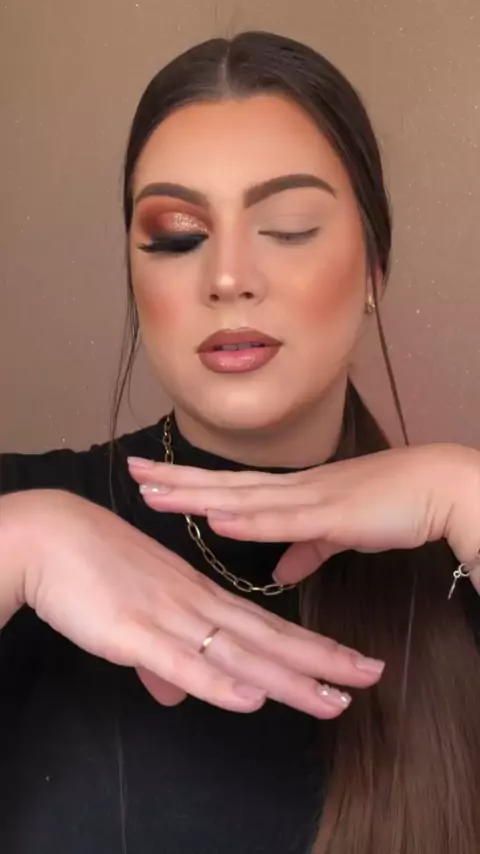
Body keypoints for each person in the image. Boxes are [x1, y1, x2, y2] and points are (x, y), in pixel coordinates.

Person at [0, 30, 478, 854]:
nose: (227, 277)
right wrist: (18, 546)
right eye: (176, 235)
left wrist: (465, 492)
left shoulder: (459, 558)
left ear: (374, 267)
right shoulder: (19, 522)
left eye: (287, 227)